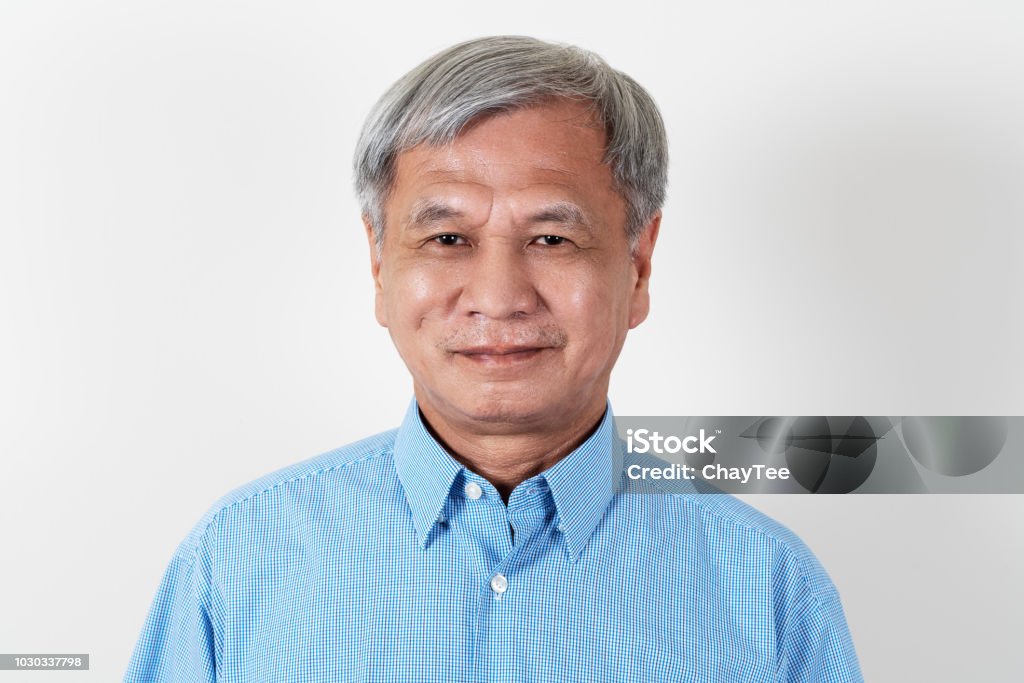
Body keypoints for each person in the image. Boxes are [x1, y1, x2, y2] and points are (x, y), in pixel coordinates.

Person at [125, 35, 862, 682]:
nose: (499, 296)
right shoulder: (237, 562)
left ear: (638, 265)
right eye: (447, 238)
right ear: (379, 265)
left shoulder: (768, 587)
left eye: (551, 238)